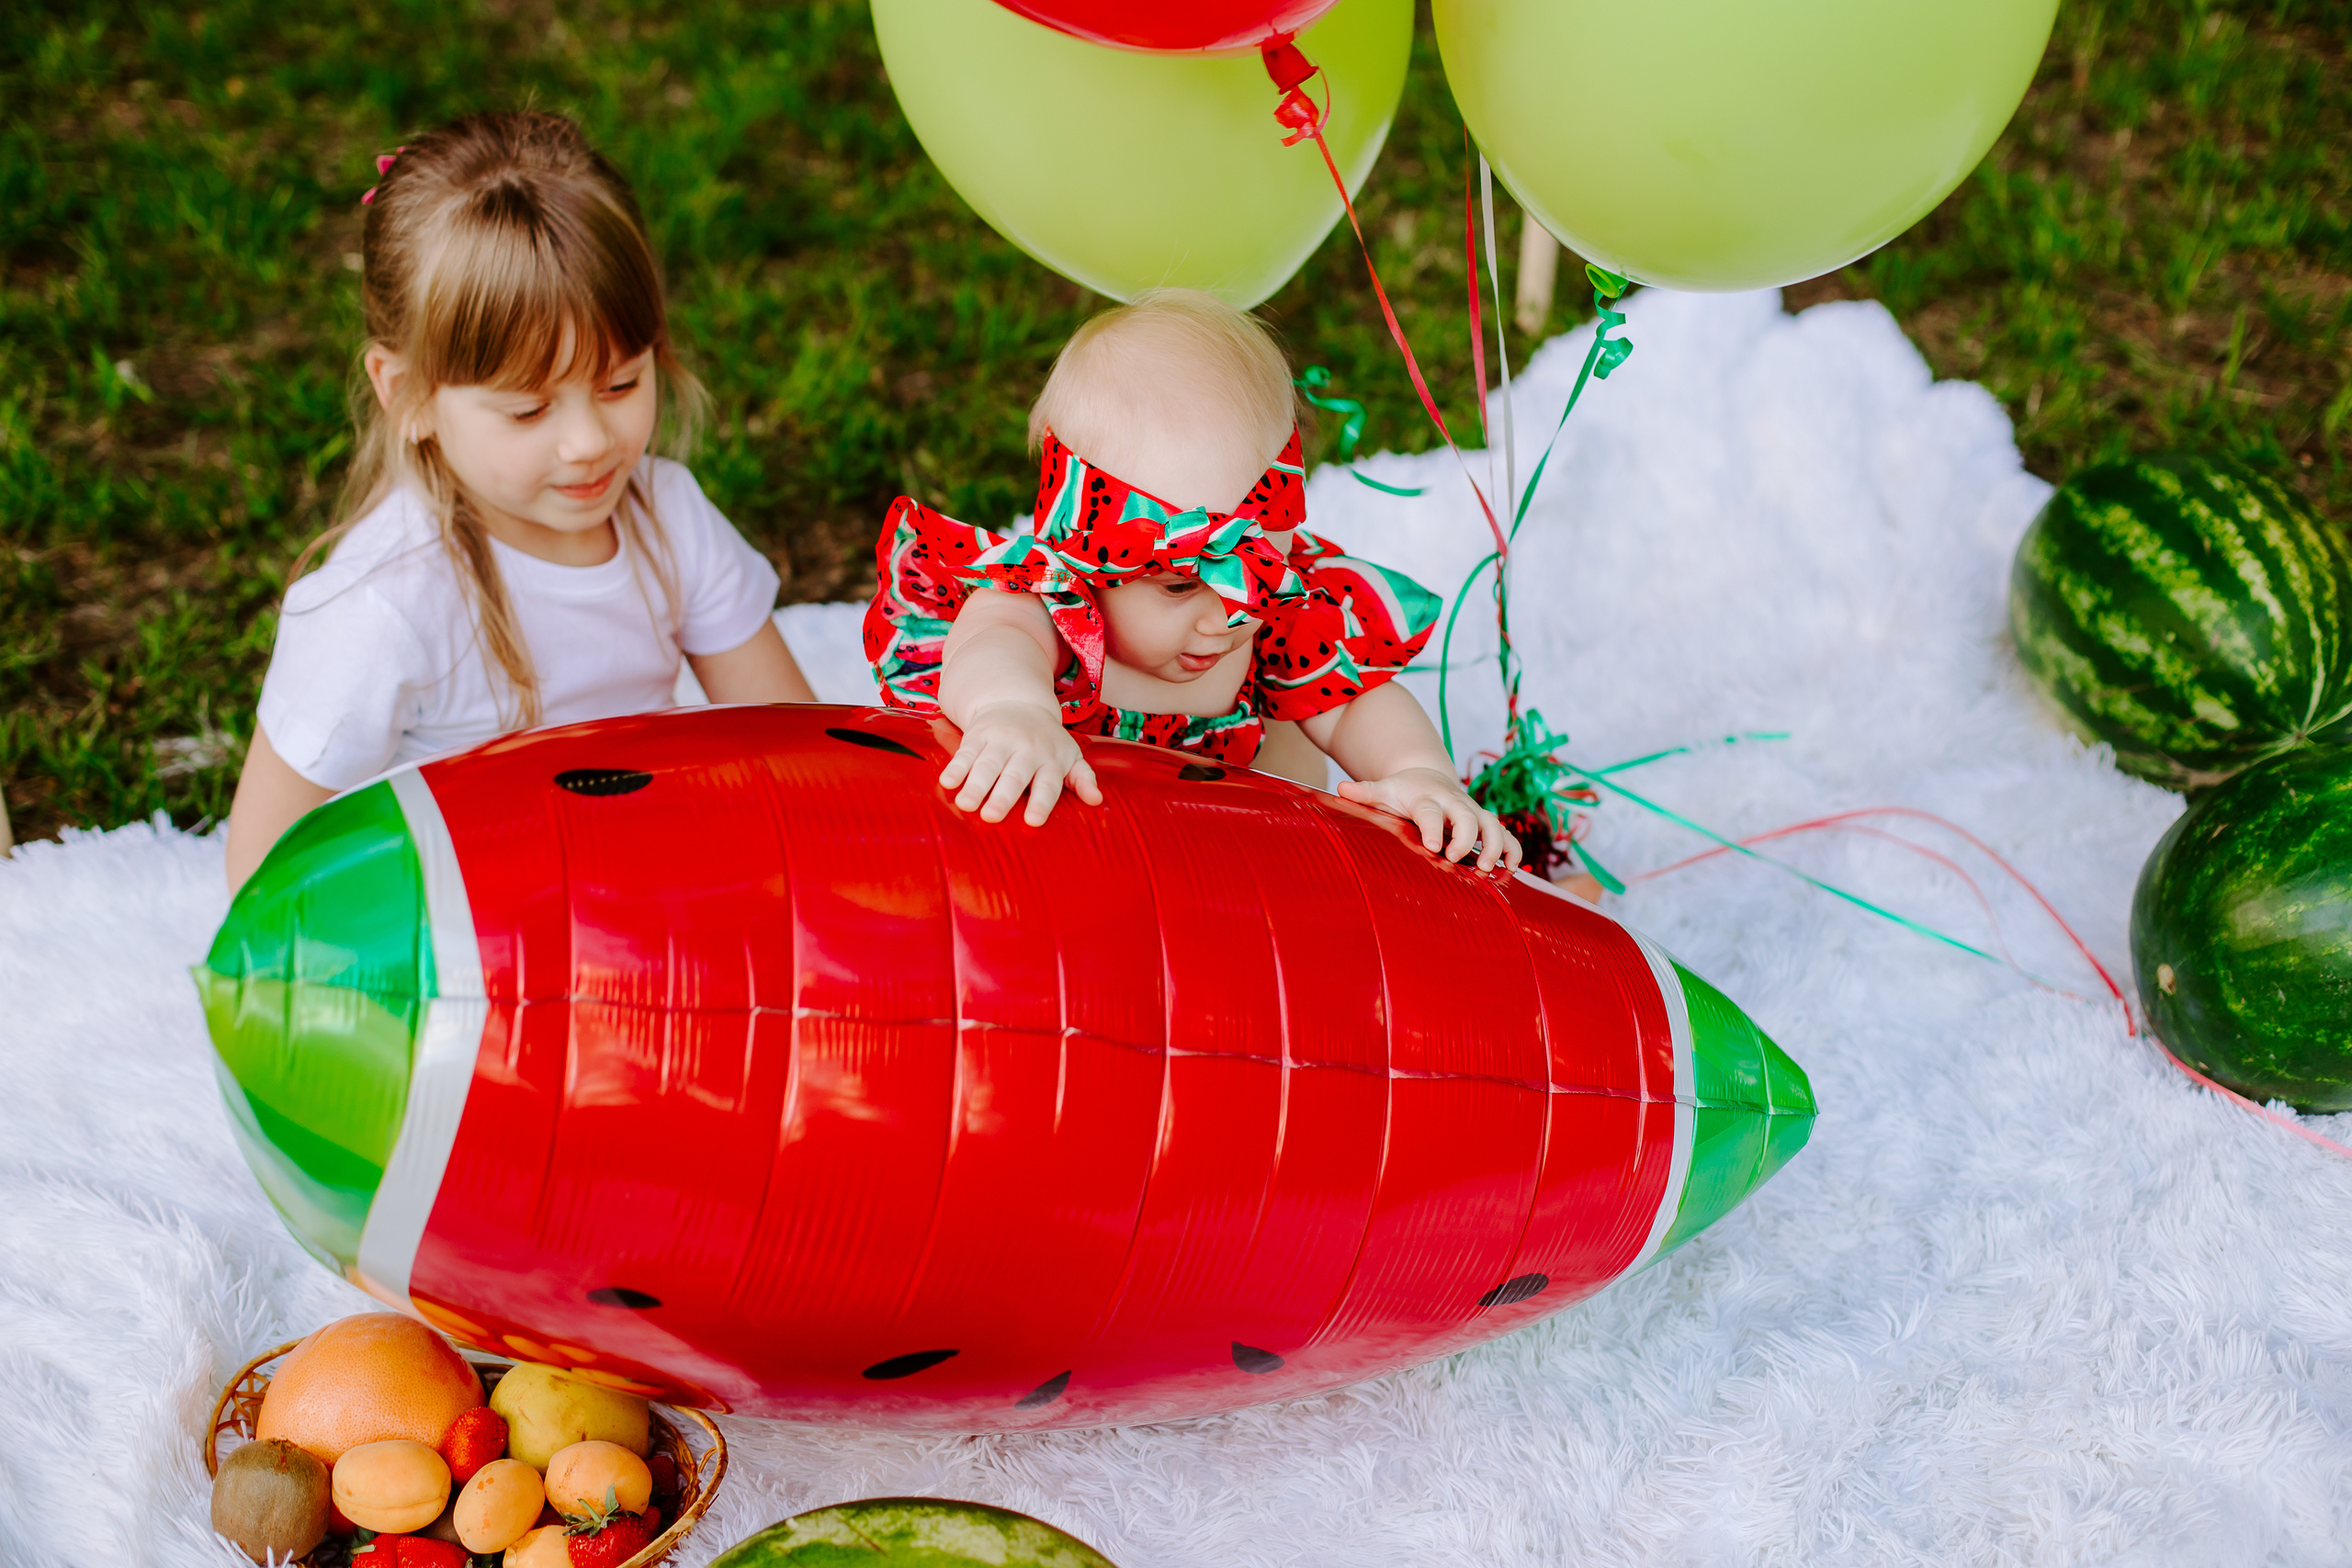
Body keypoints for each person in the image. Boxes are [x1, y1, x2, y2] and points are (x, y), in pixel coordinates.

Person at [224, 111, 811, 890]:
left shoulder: (669, 518)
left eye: (621, 383)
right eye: (529, 410)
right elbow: (262, 873)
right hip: (466, 927)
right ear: (410, 396)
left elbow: (795, 745)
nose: (587, 441)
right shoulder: (384, 608)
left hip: (642, 886)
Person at [864, 288, 1519, 872]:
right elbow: (989, 645)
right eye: (1179, 586)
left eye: (1257, 573)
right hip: (1081, 854)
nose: (1226, 618)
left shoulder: (1272, 621)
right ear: (1089, 555)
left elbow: (1356, 704)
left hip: (1252, 859)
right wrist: (1012, 711)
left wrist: (1420, 774)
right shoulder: (1045, 602)